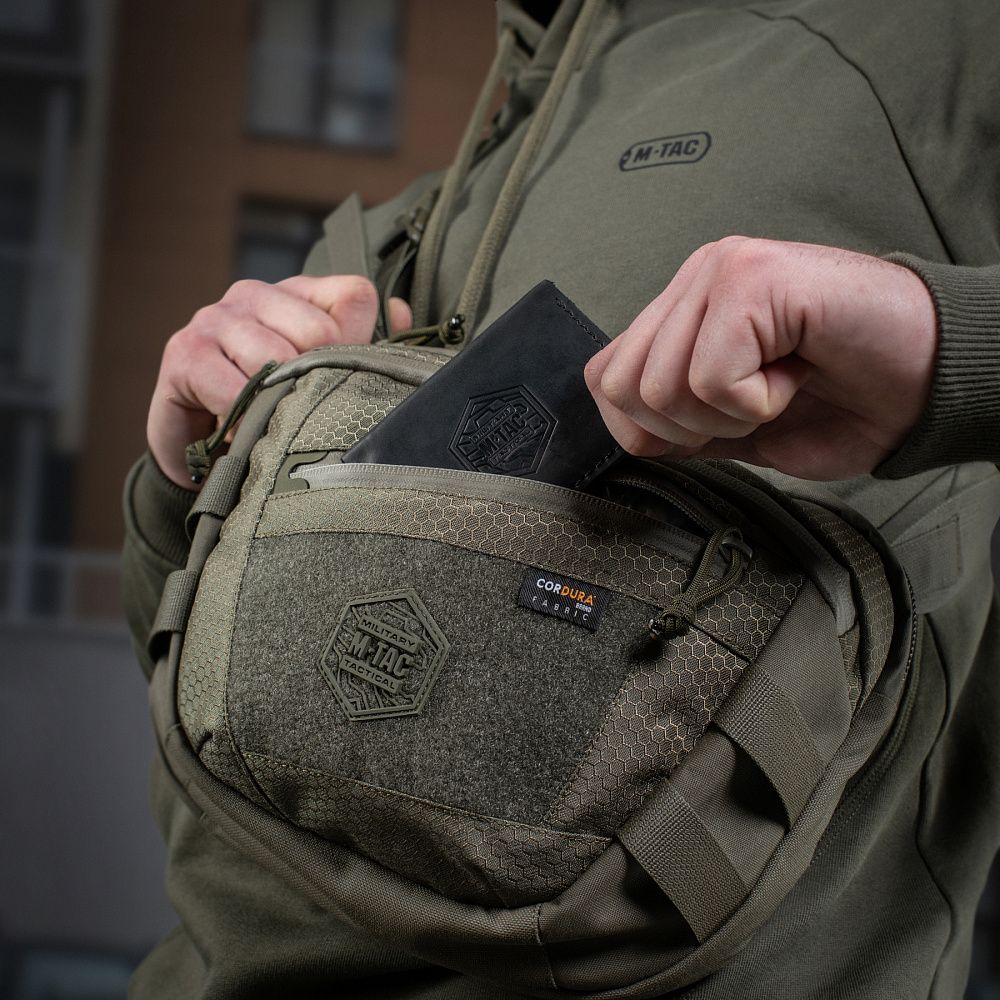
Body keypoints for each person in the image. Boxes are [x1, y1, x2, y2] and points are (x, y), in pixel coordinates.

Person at [123, 0, 1000, 996]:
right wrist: (184, 473)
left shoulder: (935, 40)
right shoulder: (447, 179)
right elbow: (176, 678)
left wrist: (950, 344)